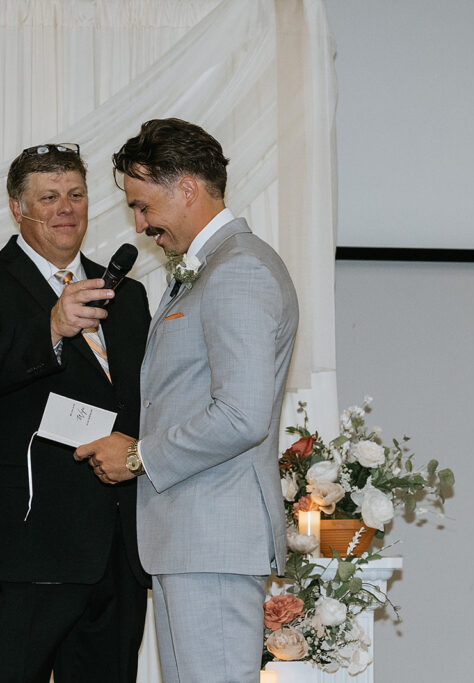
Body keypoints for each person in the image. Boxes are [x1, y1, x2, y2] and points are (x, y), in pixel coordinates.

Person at [75, 119, 299, 683]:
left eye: (143, 205)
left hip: (214, 539)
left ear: (187, 189)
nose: (140, 223)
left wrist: (138, 456)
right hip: (191, 540)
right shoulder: (209, 270)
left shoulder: (238, 270)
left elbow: (242, 414)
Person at [0, 143, 150, 682]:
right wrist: (50, 326)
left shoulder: (130, 293)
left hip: (116, 551)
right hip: (23, 546)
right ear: (17, 208)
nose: (66, 208)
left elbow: (143, 402)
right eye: (49, 197)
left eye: (75, 194)